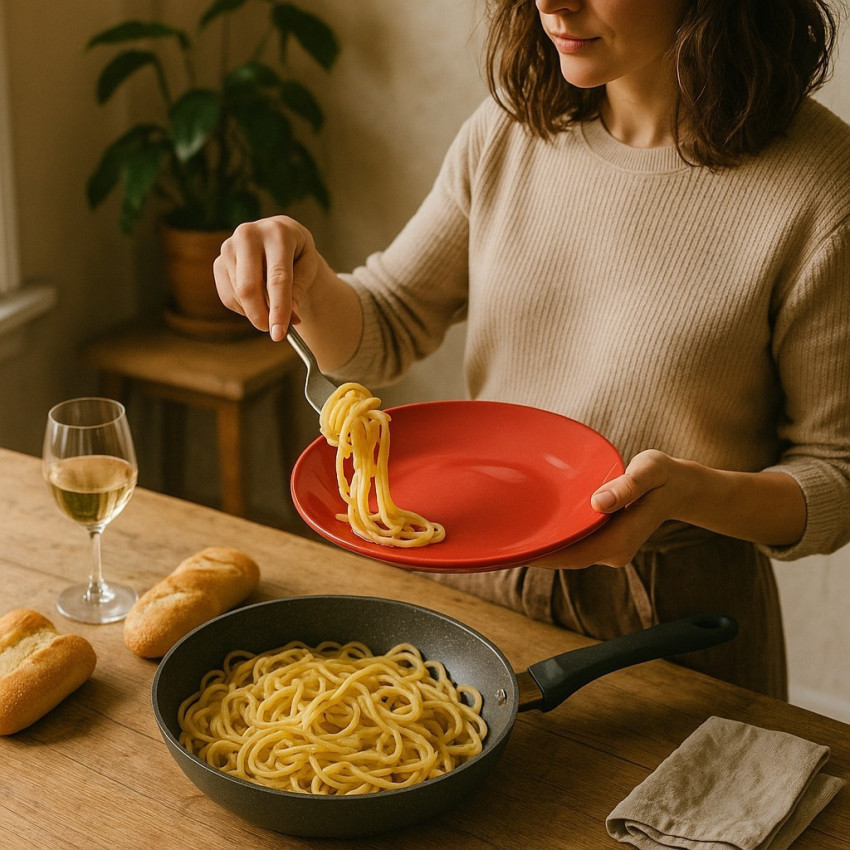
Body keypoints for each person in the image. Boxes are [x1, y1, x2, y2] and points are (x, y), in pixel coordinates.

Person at [214, 0, 850, 699]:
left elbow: (836, 475)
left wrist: (690, 495)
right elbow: (386, 323)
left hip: (672, 614)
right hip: (475, 570)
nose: (551, 3)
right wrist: (301, 278)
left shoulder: (825, 185)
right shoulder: (510, 128)